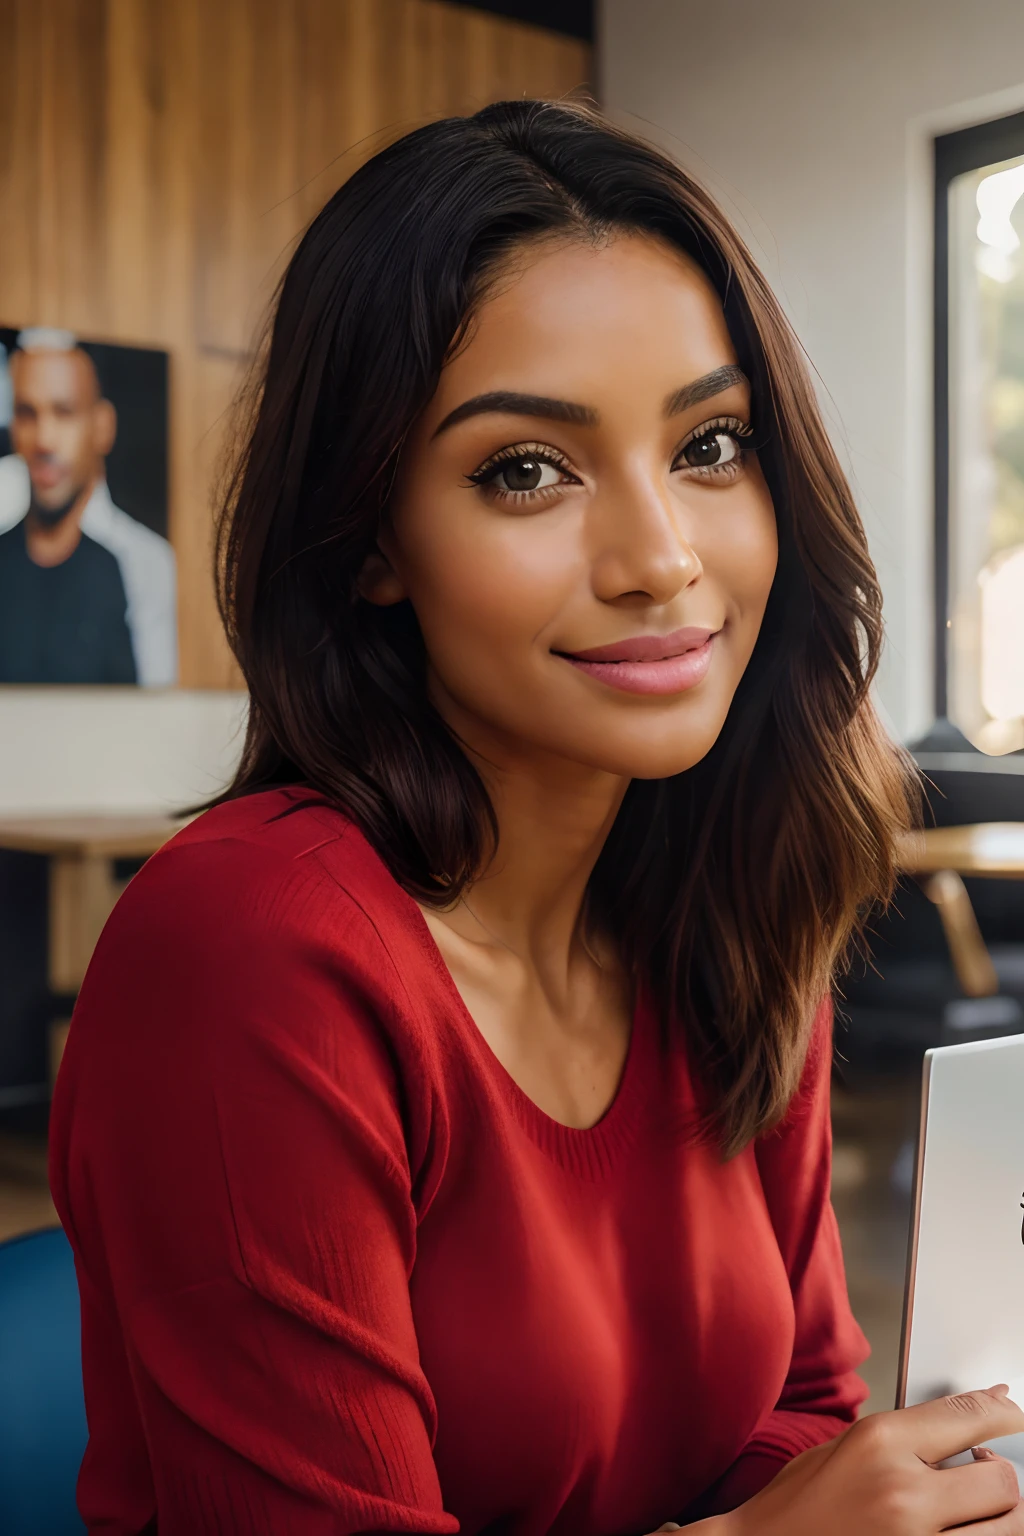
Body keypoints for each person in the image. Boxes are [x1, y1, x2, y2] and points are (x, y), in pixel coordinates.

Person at [49, 101, 1024, 1535]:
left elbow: (795, 1409)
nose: (658, 558)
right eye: (526, 470)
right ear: (372, 537)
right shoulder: (252, 953)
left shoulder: (734, 899)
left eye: (711, 444)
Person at [0, 329, 177, 686]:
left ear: (102, 425)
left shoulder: (144, 562)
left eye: (64, 412)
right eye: (27, 412)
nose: (44, 439)